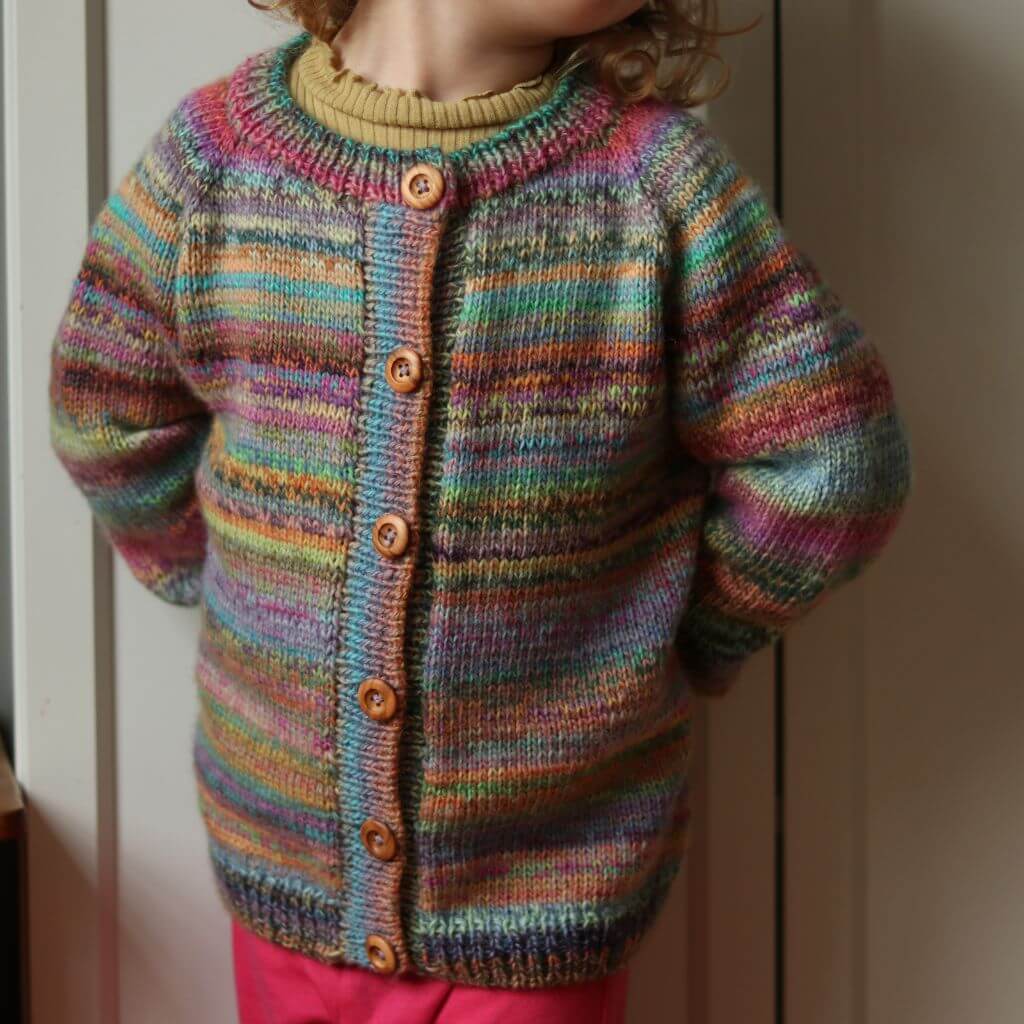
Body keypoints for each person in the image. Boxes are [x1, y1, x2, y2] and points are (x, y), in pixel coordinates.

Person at [46, 1, 914, 1021]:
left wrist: (681, 635)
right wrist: (210, 571)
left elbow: (832, 461)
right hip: (288, 866)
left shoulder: (659, 187)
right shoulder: (213, 161)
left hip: (541, 901)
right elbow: (104, 408)